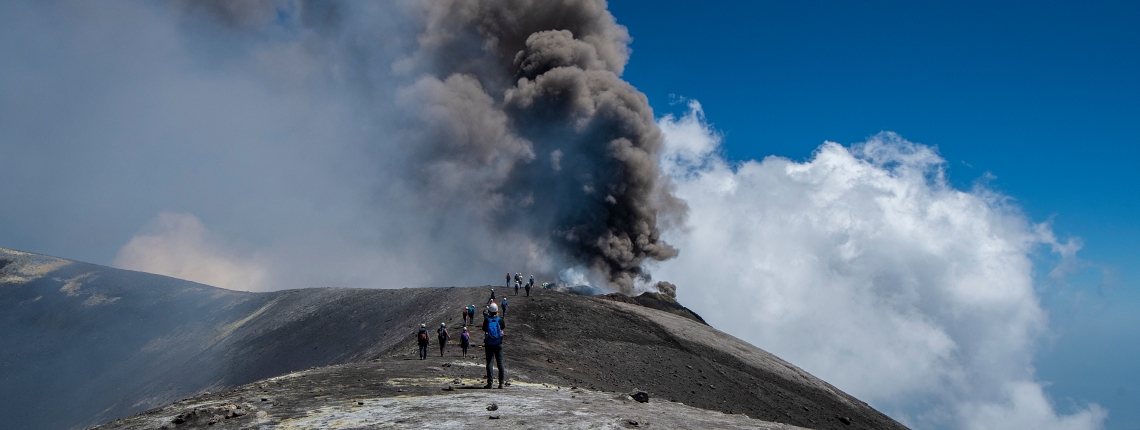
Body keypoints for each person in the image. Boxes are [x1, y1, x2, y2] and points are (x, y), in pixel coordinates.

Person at [482, 302, 505, 389]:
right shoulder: (500, 319)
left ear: (489, 311)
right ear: (496, 311)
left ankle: (490, 383)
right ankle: (501, 383)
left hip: (489, 344)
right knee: (500, 363)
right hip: (499, 343)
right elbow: (503, 327)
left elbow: (484, 329)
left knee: (489, 363)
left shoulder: (487, 320)